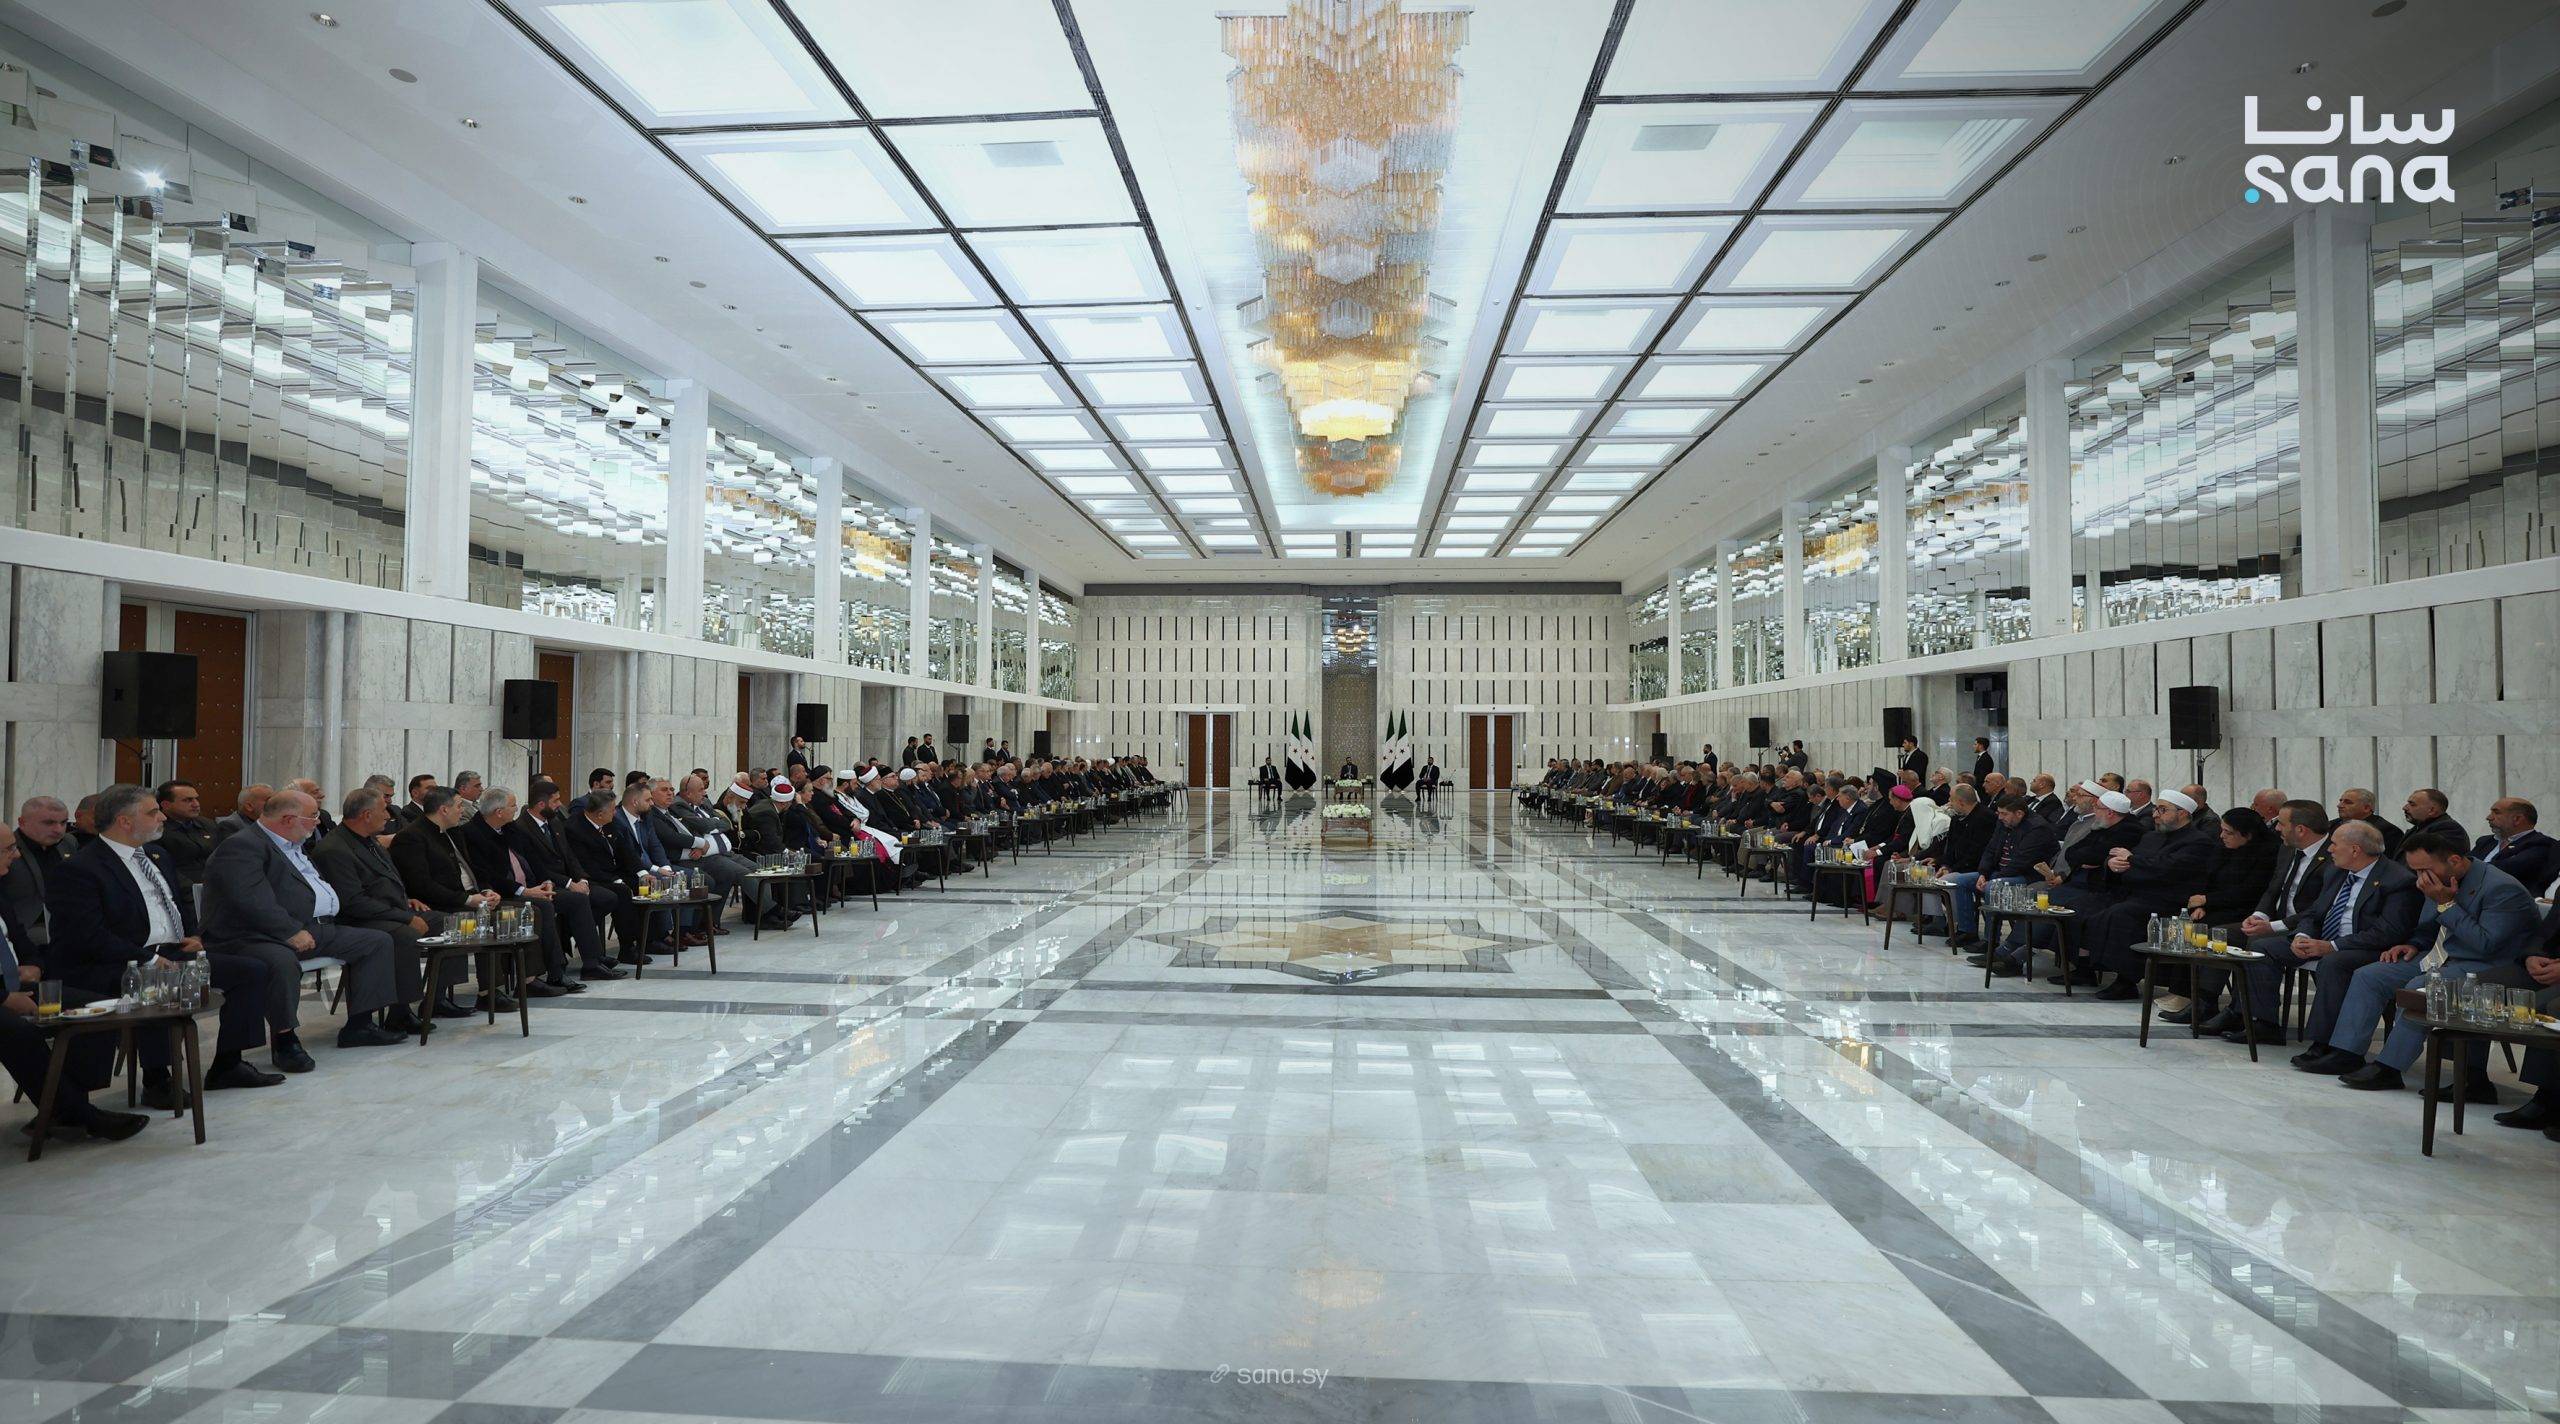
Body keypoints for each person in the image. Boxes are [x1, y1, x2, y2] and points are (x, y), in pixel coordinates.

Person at [45, 784, 285, 1096]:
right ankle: (157, 1079)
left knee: (251, 970)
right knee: (157, 981)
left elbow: (179, 899)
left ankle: (228, 1064)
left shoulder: (157, 855)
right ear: (124, 821)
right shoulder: (81, 869)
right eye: (153, 812)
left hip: (170, 950)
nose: (162, 818)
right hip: (115, 961)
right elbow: (87, 935)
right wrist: (149, 958)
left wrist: (193, 934)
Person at [2321, 829, 2541, 1091]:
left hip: (2488, 964)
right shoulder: (2435, 879)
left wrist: (2446, 903)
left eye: (2424, 869)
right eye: (2415, 870)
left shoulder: (2502, 889)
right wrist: (2413, 944)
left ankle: (2389, 1068)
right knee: (2370, 975)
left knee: (2420, 987)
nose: (2420, 878)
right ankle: (2347, 1052)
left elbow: (2486, 943)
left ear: (2454, 860)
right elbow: (2429, 927)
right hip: (2442, 955)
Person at [200, 789, 416, 1049]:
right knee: (282, 962)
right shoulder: (243, 845)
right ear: (289, 819)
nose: (318, 821)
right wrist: (289, 931)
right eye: (313, 816)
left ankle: (360, 1026)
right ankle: (285, 1040)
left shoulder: (293, 844)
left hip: (313, 927)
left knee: (376, 941)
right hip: (257, 935)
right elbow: (250, 899)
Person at [2236, 820, 2420, 1067]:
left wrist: (2332, 945)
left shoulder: (2398, 880)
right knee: (2263, 947)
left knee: (2334, 963)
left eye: (2334, 844)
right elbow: (2314, 913)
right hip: (2324, 940)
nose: (2329, 849)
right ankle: (2265, 1023)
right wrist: (2302, 936)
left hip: (2366, 948)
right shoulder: (2336, 871)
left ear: (2355, 850)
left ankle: (2322, 1043)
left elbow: (2388, 932)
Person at [313, 787, 466, 1018]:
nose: (388, 816)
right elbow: (353, 902)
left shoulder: (369, 842)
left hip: (390, 910)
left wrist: (407, 900)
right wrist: (405, 917)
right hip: (360, 918)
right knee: (405, 935)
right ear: (366, 815)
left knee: (451, 923)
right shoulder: (335, 849)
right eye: (383, 810)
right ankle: (400, 1011)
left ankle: (437, 998)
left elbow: (385, 881)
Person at [389, 788, 517, 1012]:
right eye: (459, 806)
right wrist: (468, 899)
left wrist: (486, 891)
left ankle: (491, 990)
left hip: (466, 896)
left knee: (510, 915)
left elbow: (473, 869)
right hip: (438, 902)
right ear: (444, 809)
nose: (463, 811)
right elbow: (421, 885)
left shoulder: (453, 832)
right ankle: (439, 998)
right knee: (466, 922)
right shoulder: (412, 837)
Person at [458, 788, 579, 996]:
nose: (517, 809)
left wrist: (546, 881)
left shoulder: (511, 827)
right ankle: (535, 977)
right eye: (513, 805)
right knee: (538, 909)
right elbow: (488, 875)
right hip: (500, 892)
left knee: (562, 902)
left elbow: (533, 858)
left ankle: (553, 972)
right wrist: (524, 891)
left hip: (528, 887)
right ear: (498, 812)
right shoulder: (472, 833)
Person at [503, 779, 624, 981]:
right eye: (555, 801)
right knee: (578, 900)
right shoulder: (522, 828)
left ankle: (575, 936)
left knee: (607, 897)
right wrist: (569, 884)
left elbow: (569, 856)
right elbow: (537, 867)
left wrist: (581, 879)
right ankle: (591, 962)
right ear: (541, 804)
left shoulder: (555, 822)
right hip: (546, 884)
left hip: (567, 879)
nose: (560, 804)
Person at [2473, 798, 2557, 892]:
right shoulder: (2485, 841)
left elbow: (2505, 869)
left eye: (2496, 812)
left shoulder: (2541, 843)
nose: (2489, 817)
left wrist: (2468, 869)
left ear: (2517, 819)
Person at [154, 780, 219, 890]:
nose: (196, 804)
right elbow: (165, 869)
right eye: (187, 800)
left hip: (217, 887)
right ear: (166, 805)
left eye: (196, 799)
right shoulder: (156, 830)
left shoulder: (208, 825)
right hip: (182, 890)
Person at [2334, 787, 2402, 859]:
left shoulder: (2387, 831)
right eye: (2340, 801)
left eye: (2348, 802)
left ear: (2366, 808)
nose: (2339, 805)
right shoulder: (2333, 825)